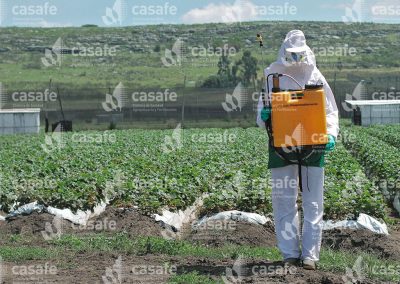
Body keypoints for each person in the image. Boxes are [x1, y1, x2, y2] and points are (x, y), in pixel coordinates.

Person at [256, 30, 339, 270]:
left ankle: (310, 256)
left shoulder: (315, 75)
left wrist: (331, 134)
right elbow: (262, 110)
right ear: (284, 52)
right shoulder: (272, 74)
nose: (296, 59)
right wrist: (265, 116)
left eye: (299, 55)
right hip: (281, 146)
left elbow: (330, 110)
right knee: (284, 200)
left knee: (313, 201)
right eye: (292, 55)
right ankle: (289, 254)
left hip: (313, 145)